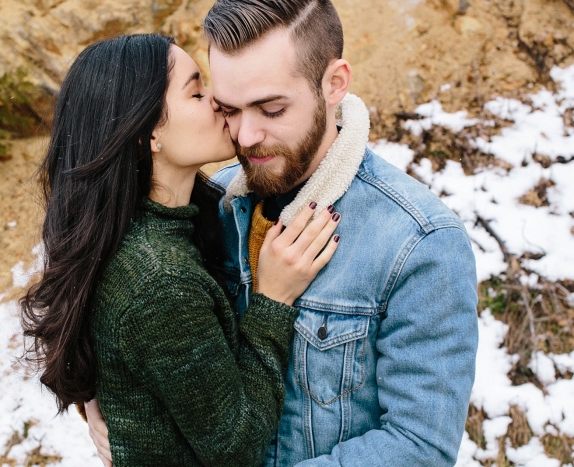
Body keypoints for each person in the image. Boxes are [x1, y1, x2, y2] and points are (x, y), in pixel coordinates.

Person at [86, 1, 479, 466]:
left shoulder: (418, 242)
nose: (246, 135)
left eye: (271, 108)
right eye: (229, 108)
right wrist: (102, 401)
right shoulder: (207, 205)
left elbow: (419, 448)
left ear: (334, 84)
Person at [20, 33, 343, 467]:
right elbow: (236, 447)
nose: (219, 103)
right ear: (146, 135)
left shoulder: (143, 228)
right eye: (196, 92)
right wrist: (274, 299)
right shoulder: (159, 281)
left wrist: (100, 404)